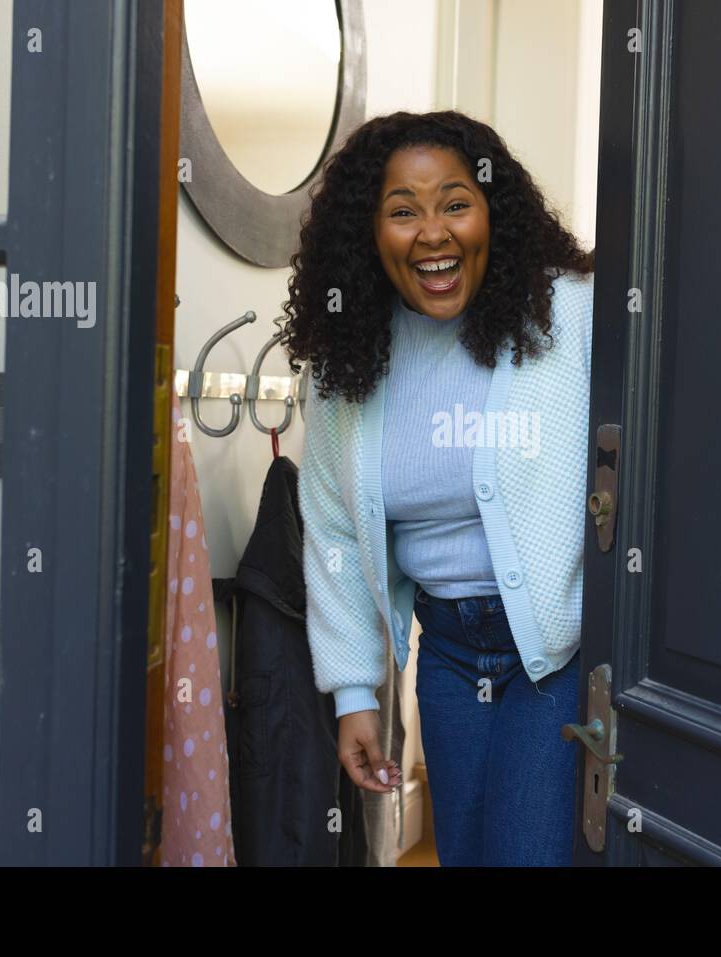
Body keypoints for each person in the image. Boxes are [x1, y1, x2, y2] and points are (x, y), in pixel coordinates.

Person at [283, 110, 595, 866]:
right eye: (402, 211)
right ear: (370, 231)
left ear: (495, 212)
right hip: (450, 656)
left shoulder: (570, 313)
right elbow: (329, 528)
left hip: (553, 656)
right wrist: (356, 690)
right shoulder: (345, 359)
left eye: (456, 202)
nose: (433, 233)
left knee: (525, 854)